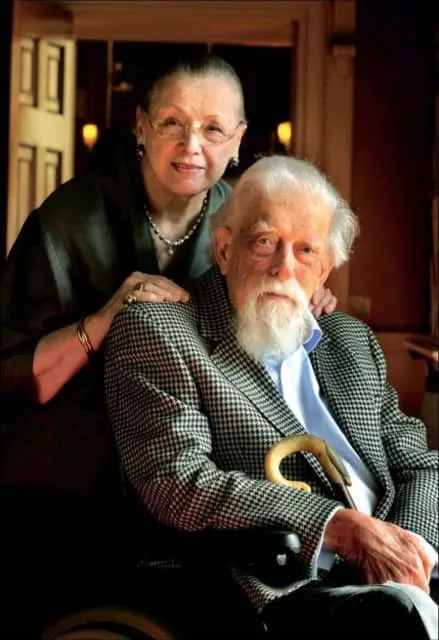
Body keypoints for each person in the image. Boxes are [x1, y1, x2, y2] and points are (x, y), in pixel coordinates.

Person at [0, 53, 335, 637]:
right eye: (173, 122)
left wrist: (300, 294)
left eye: (213, 128)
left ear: (238, 139)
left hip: (182, 468)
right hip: (68, 481)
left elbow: (272, 303)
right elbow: (13, 376)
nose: (191, 145)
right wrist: (104, 319)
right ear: (141, 126)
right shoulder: (68, 219)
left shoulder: (243, 218)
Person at [105, 155, 438, 640]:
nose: (284, 268)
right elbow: (179, 484)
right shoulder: (159, 330)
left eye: (306, 251)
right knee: (400, 617)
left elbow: (422, 466)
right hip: (272, 587)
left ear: (324, 270)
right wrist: (343, 530)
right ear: (224, 249)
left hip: (398, 568)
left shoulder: (350, 341)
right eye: (265, 242)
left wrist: (407, 549)